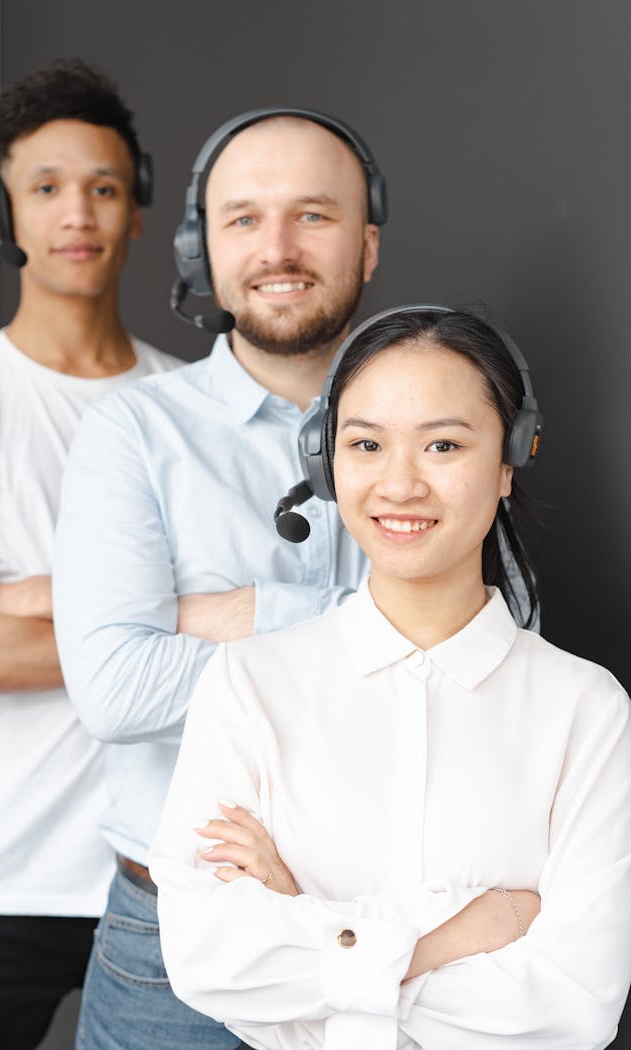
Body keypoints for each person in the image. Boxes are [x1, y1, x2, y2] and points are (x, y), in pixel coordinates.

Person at [150, 306, 631, 1050]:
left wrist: (303, 921)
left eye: (443, 445)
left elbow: (575, 1005)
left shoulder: (586, 710)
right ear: (325, 463)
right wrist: (459, 934)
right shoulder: (247, 684)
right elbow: (208, 958)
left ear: (509, 460)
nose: (399, 484)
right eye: (367, 444)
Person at [51, 108, 385, 1050]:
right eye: (244, 218)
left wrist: (245, 616)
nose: (277, 249)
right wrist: (361, 632)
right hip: (174, 943)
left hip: (387, 923)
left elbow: (474, 659)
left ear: (366, 245)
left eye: (313, 215)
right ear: (203, 248)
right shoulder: (131, 433)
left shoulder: (439, 413)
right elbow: (116, 689)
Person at [0, 59, 179, 1050]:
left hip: (158, 873)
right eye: (45, 188)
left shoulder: (188, 408)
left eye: (104, 188)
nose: (77, 213)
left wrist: (30, 598)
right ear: (1, 216)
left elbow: (259, 624)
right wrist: (153, 620)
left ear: (139, 211)